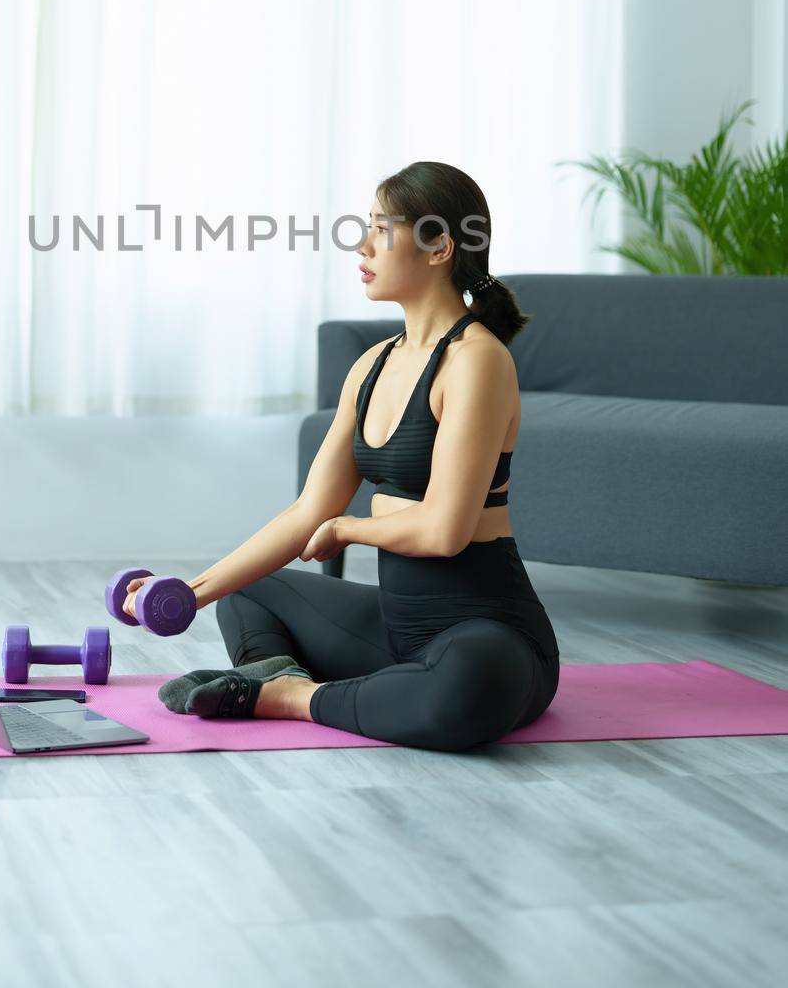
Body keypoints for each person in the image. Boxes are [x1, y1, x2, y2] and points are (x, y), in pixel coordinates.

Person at [139, 160, 560, 752]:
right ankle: (277, 674)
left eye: (382, 230)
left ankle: (290, 698)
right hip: (396, 632)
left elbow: (446, 530)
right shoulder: (372, 364)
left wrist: (351, 528)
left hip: (488, 633)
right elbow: (308, 510)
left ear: (439, 246)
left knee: (467, 689)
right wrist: (187, 592)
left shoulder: (476, 361)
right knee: (250, 588)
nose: (362, 244)